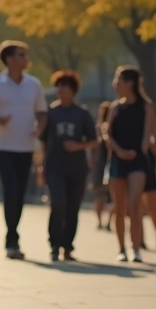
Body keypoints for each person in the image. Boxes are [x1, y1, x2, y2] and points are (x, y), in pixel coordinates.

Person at [0, 40, 48, 260]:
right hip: (5, 147)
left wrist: (40, 128)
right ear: (9, 60)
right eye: (21, 55)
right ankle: (12, 239)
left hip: (26, 147)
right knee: (11, 191)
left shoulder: (34, 85)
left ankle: (13, 234)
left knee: (20, 194)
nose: (26, 59)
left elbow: (43, 113)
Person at [38, 70, 98, 262]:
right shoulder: (51, 113)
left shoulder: (82, 113)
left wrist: (78, 146)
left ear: (73, 90)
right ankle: (54, 244)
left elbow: (94, 141)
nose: (61, 90)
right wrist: (40, 166)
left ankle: (68, 245)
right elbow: (43, 141)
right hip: (54, 166)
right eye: (59, 87)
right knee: (58, 202)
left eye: (65, 87)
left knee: (73, 207)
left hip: (76, 168)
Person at [103, 66, 156, 263]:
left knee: (134, 204)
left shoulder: (146, 106)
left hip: (137, 159)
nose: (115, 84)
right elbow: (107, 134)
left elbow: (149, 133)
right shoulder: (115, 107)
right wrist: (119, 151)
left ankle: (136, 249)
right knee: (120, 206)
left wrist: (144, 149)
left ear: (130, 83)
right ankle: (121, 249)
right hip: (119, 159)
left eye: (118, 80)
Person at [93, 102, 113, 232]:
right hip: (104, 163)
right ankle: (104, 222)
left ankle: (104, 222)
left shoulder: (108, 127)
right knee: (106, 195)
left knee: (105, 195)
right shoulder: (99, 128)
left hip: (103, 163)